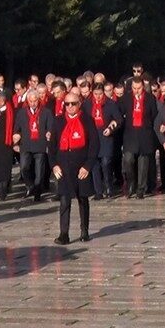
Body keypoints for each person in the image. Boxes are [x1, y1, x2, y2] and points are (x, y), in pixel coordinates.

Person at [50, 93, 99, 244]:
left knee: (83, 199)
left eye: (73, 103)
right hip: (64, 166)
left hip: (81, 166)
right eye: (67, 104)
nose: (70, 107)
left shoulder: (87, 120)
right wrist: (54, 165)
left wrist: (88, 166)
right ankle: (64, 233)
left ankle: (84, 231)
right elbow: (51, 147)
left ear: (79, 104)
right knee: (64, 200)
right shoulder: (58, 121)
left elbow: (94, 145)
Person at [119, 75, 158, 199]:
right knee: (128, 160)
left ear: (143, 87)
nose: (137, 90)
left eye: (139, 88)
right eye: (134, 88)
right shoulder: (126, 98)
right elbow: (120, 113)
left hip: (145, 133)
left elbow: (154, 115)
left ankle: (141, 188)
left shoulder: (150, 98)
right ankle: (131, 183)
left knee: (143, 163)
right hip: (130, 134)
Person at [13, 90, 54, 201]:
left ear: (38, 100)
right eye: (30, 101)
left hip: (40, 145)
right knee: (24, 168)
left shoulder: (46, 112)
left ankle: (37, 193)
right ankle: (30, 186)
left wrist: (49, 133)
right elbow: (16, 129)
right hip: (26, 144)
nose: (33, 103)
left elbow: (50, 127)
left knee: (39, 171)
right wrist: (15, 141)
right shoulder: (22, 113)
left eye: (35, 101)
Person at [83, 82, 122, 199]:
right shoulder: (87, 104)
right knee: (94, 165)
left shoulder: (110, 104)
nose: (98, 96)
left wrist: (111, 128)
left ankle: (108, 186)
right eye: (95, 94)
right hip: (93, 137)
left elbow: (118, 119)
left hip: (105, 137)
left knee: (106, 162)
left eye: (100, 94)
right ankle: (98, 191)